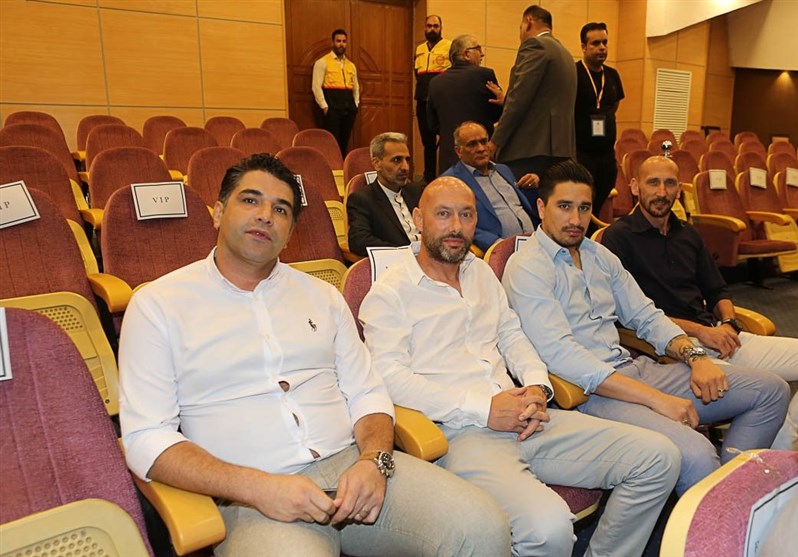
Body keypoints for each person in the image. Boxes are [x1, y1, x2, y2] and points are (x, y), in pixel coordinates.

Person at [119, 154, 511, 556]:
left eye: (281, 209)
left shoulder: (321, 296)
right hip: (250, 496)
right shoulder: (159, 306)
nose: (265, 215)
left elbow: (368, 393)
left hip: (353, 467)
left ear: (291, 232)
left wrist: (374, 460)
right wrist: (256, 487)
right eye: (250, 200)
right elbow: (146, 438)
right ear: (218, 213)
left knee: (482, 527)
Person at [360, 176, 680, 557]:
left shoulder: (479, 272)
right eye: (443, 214)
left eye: (466, 215)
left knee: (659, 458)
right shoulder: (390, 292)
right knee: (548, 529)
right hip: (460, 433)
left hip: (525, 416)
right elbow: (390, 379)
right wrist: (484, 409)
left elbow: (512, 335)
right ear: (418, 219)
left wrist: (537, 387)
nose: (456, 227)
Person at [502, 159, 789, 496]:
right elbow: (562, 356)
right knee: (697, 456)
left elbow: (646, 316)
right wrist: (657, 400)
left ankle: (729, 498)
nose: (576, 220)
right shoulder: (528, 266)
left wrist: (696, 357)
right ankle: (720, 509)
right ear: (541, 207)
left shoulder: (599, 256)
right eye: (564, 207)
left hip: (635, 370)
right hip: (588, 394)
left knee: (771, 391)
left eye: (584, 208)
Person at [601, 155, 798, 381]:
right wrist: (701, 332)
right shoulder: (618, 237)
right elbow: (628, 316)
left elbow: (717, 291)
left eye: (670, 183)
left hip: (718, 335)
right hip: (675, 348)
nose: (662, 192)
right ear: (635, 187)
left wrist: (729, 323)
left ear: (679, 190)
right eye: (653, 182)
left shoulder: (689, 234)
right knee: (769, 387)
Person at [489, 5, 577, 208]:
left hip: (528, 149)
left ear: (528, 22)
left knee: (520, 210)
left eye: (520, 27)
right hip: (559, 148)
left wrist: (496, 141)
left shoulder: (535, 46)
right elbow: (544, 97)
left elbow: (519, 98)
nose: (520, 34)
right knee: (550, 209)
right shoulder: (565, 54)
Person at [442, 121, 537, 250]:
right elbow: (456, 224)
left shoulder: (503, 170)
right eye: (472, 144)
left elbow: (524, 207)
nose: (481, 149)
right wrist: (496, 244)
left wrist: (532, 187)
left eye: (484, 141)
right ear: (459, 151)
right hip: (499, 249)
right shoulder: (451, 182)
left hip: (533, 242)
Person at [427, 34, 503, 174]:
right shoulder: (485, 75)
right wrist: (503, 102)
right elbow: (497, 115)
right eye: (478, 49)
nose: (482, 54)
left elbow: (432, 125)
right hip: (479, 159)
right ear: (466, 54)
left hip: (448, 157)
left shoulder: (435, 82)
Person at [574, 22, 624, 217]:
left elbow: (614, 106)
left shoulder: (612, 75)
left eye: (604, 42)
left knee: (598, 205)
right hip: (581, 153)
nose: (602, 47)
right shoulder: (574, 73)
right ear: (583, 47)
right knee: (582, 203)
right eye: (595, 43)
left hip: (606, 155)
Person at [347, 132, 425, 256]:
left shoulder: (416, 191)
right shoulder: (362, 199)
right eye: (397, 160)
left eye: (407, 160)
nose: (405, 167)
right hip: (398, 261)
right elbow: (359, 241)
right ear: (377, 163)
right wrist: (404, 251)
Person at [414, 15, 451, 183]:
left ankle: (446, 175)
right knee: (427, 142)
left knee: (446, 140)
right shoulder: (419, 49)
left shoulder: (449, 46)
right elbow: (417, 73)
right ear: (425, 28)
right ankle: (429, 177)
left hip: (441, 102)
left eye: (435, 26)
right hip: (422, 100)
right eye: (429, 26)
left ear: (441, 28)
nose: (432, 29)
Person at [312, 29, 359, 157]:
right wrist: (325, 107)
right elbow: (316, 87)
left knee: (344, 144)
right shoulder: (322, 62)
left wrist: (356, 104)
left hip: (349, 109)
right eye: (338, 41)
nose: (341, 44)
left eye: (344, 41)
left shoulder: (351, 65)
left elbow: (356, 87)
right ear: (332, 42)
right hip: (332, 109)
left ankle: (343, 166)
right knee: (332, 144)